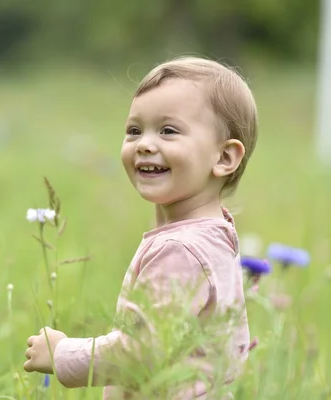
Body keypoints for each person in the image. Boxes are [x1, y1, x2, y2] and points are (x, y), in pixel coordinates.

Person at [23, 56, 258, 399]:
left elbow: (142, 353)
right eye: (134, 130)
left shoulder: (180, 249)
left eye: (168, 130)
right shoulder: (215, 235)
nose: (145, 144)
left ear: (223, 158)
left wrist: (63, 353)